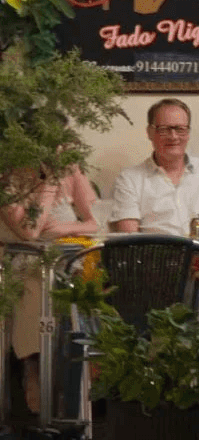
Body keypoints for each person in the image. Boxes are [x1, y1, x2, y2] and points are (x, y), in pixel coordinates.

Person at [0, 165, 100, 414]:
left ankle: (87, 383)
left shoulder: (71, 170)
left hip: (69, 258)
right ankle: (34, 365)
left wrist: (62, 229)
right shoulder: (8, 179)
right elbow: (30, 230)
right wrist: (50, 182)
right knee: (36, 280)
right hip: (25, 261)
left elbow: (94, 222)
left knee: (92, 283)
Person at [110, 98, 199, 235]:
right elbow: (128, 237)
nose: (173, 136)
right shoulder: (130, 179)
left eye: (180, 129)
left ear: (188, 133)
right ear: (150, 132)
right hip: (154, 256)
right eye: (164, 129)